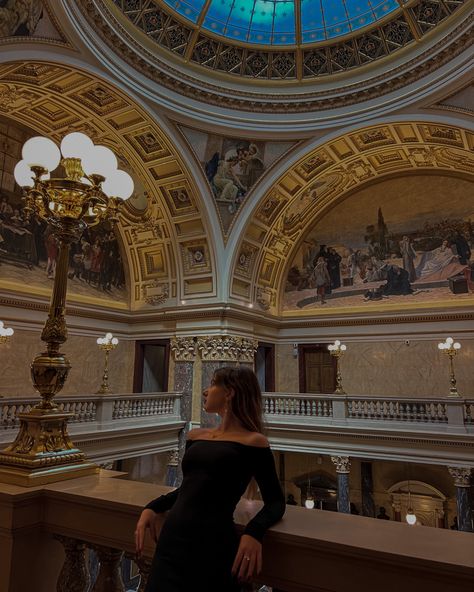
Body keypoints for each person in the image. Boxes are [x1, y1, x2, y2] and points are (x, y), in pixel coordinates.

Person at [135, 366, 286, 592]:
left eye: (213, 384)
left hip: (211, 544)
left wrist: (254, 532)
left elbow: (275, 502)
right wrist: (153, 507)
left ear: (230, 392)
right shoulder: (196, 436)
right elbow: (189, 489)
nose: (206, 391)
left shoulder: (254, 442)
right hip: (171, 542)